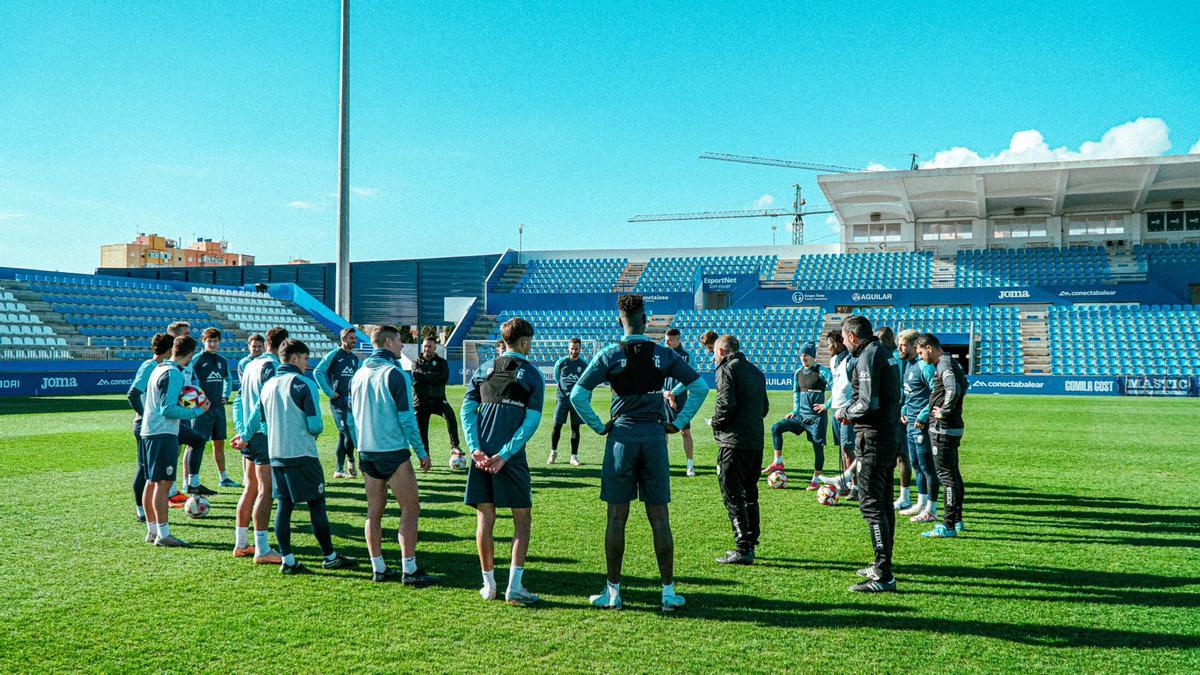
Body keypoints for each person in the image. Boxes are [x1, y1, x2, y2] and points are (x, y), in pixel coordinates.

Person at [570, 294, 709, 612]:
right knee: (659, 518)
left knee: (616, 518)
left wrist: (600, 426)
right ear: (646, 321)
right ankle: (668, 593)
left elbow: (578, 394)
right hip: (654, 439)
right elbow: (700, 387)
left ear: (621, 321)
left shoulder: (610, 354)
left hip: (621, 439)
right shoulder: (662, 353)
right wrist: (679, 422)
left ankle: (614, 593)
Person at [242, 339, 355, 574]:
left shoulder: (269, 385)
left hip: (276, 455)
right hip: (302, 453)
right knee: (316, 504)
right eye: (305, 359)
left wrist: (244, 436)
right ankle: (330, 556)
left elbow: (256, 420)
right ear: (294, 358)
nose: (307, 363)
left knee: (284, 505)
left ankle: (289, 561)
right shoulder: (304, 384)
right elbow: (315, 425)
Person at [461, 317, 544, 605]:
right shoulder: (532, 375)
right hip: (511, 459)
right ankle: (515, 587)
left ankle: (489, 586)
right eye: (530, 341)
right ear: (523, 342)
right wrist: (505, 454)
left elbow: (467, 411)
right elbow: (531, 422)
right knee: (522, 520)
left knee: (485, 518)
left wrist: (475, 449)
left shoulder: (482, 370)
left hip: (481, 457)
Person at [349, 325, 435, 585]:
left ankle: (379, 567)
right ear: (387, 342)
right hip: (393, 452)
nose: (402, 346)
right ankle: (409, 568)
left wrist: (358, 449)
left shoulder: (358, 374)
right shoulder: (395, 374)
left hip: (367, 452)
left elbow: (352, 420)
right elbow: (408, 419)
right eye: (399, 341)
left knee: (373, 512)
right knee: (410, 508)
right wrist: (421, 452)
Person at [836, 315, 901, 592]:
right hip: (887, 436)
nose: (842, 342)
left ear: (852, 336)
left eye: (842, 338)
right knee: (884, 503)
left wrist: (844, 412)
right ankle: (883, 564)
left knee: (872, 506)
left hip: (873, 439)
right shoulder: (885, 352)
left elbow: (867, 403)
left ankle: (883, 575)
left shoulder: (868, 356)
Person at [140, 335, 210, 547]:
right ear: (189, 355)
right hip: (162, 433)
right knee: (163, 484)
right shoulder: (173, 373)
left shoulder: (159, 369)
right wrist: (197, 411)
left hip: (150, 431)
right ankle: (163, 535)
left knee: (152, 483)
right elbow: (167, 408)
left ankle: (152, 531)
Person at [231, 326, 289, 564]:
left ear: (266, 343)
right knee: (265, 491)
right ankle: (262, 549)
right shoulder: (272, 367)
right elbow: (261, 405)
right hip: (262, 435)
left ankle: (242, 543)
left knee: (250, 488)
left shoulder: (252, 364)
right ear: (284, 344)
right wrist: (246, 432)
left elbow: (238, 401)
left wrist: (240, 428)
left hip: (250, 434)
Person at [710, 335, 769, 565]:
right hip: (754, 442)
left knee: (732, 494)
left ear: (722, 352)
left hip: (733, 443)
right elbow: (764, 408)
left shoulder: (726, 370)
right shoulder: (755, 371)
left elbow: (725, 404)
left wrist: (715, 423)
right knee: (749, 492)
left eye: (715, 353)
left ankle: (742, 547)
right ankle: (751, 541)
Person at [916, 333, 969, 538]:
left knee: (946, 477)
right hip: (951, 426)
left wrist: (944, 411)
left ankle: (947, 526)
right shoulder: (949, 363)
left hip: (943, 428)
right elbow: (964, 385)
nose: (920, 357)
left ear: (929, 347)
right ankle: (957, 520)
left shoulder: (944, 364)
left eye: (921, 352)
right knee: (953, 474)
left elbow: (953, 389)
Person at [767, 341, 831, 490]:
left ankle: (816, 479)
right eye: (801, 355)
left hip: (816, 418)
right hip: (800, 416)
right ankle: (778, 461)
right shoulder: (798, 373)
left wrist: (826, 405)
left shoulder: (822, 371)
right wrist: (795, 411)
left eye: (807, 355)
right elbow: (796, 393)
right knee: (776, 428)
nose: (803, 358)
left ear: (813, 357)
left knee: (818, 447)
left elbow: (837, 388)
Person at [164, 321, 215, 500]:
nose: (189, 335)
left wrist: (196, 394)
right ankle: (171, 490)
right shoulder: (166, 364)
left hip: (183, 411)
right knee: (173, 450)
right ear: (174, 336)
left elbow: (193, 382)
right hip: (170, 413)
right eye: (185, 333)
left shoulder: (187, 362)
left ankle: (187, 483)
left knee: (188, 445)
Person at [127, 333, 174, 524]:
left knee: (151, 470)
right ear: (170, 350)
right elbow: (132, 394)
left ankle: (162, 499)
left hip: (155, 424)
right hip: (146, 425)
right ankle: (141, 511)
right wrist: (144, 415)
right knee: (144, 468)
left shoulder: (161, 367)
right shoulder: (150, 366)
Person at [898, 330, 939, 523]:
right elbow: (911, 394)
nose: (900, 348)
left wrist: (922, 415)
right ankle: (921, 503)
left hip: (922, 424)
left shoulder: (925, 367)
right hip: (910, 423)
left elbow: (936, 394)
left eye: (903, 344)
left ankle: (932, 508)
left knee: (927, 467)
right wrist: (905, 409)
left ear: (915, 345)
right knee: (915, 464)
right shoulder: (909, 365)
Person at [189, 328, 239, 489]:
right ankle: (192, 480)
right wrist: (198, 399)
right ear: (203, 341)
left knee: (219, 443)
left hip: (218, 409)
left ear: (219, 342)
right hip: (201, 410)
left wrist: (226, 395)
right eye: (209, 340)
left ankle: (223, 478)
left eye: (215, 341)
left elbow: (228, 379)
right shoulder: (196, 359)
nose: (212, 343)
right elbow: (188, 381)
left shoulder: (222, 360)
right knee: (197, 444)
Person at [314, 328, 361, 478]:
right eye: (351, 338)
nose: (354, 340)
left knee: (343, 435)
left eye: (355, 338)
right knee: (347, 431)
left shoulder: (355, 359)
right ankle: (351, 461)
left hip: (352, 402)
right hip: (338, 402)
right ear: (343, 339)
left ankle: (339, 470)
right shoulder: (334, 355)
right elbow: (317, 372)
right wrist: (329, 392)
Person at [411, 336, 464, 464]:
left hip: (438, 399)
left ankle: (454, 446)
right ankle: (425, 458)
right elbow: (417, 378)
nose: (427, 348)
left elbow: (443, 378)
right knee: (422, 431)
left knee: (450, 415)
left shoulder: (442, 362)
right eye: (425, 346)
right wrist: (434, 374)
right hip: (421, 401)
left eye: (429, 346)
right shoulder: (416, 362)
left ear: (435, 347)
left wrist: (426, 376)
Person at [878, 326, 913, 510]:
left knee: (902, 455)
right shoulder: (892, 357)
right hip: (892, 414)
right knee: (894, 455)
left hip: (899, 414)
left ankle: (905, 496)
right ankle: (898, 494)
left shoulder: (897, 359)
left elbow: (902, 389)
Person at [661, 328, 697, 477]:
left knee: (685, 431)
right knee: (663, 431)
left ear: (678, 339)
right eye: (666, 339)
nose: (667, 342)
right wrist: (665, 392)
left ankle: (690, 465)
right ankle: (662, 464)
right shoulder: (661, 354)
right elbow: (656, 376)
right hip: (664, 398)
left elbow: (690, 377)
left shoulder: (687, 356)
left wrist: (673, 393)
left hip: (681, 398)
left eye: (670, 339)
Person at [549, 338, 587, 465]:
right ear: (568, 348)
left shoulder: (584, 365)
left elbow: (585, 383)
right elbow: (556, 377)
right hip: (562, 399)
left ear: (580, 348)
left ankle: (574, 456)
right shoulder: (561, 362)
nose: (574, 351)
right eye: (572, 348)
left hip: (576, 402)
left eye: (576, 348)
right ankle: (553, 452)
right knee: (556, 426)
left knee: (575, 428)